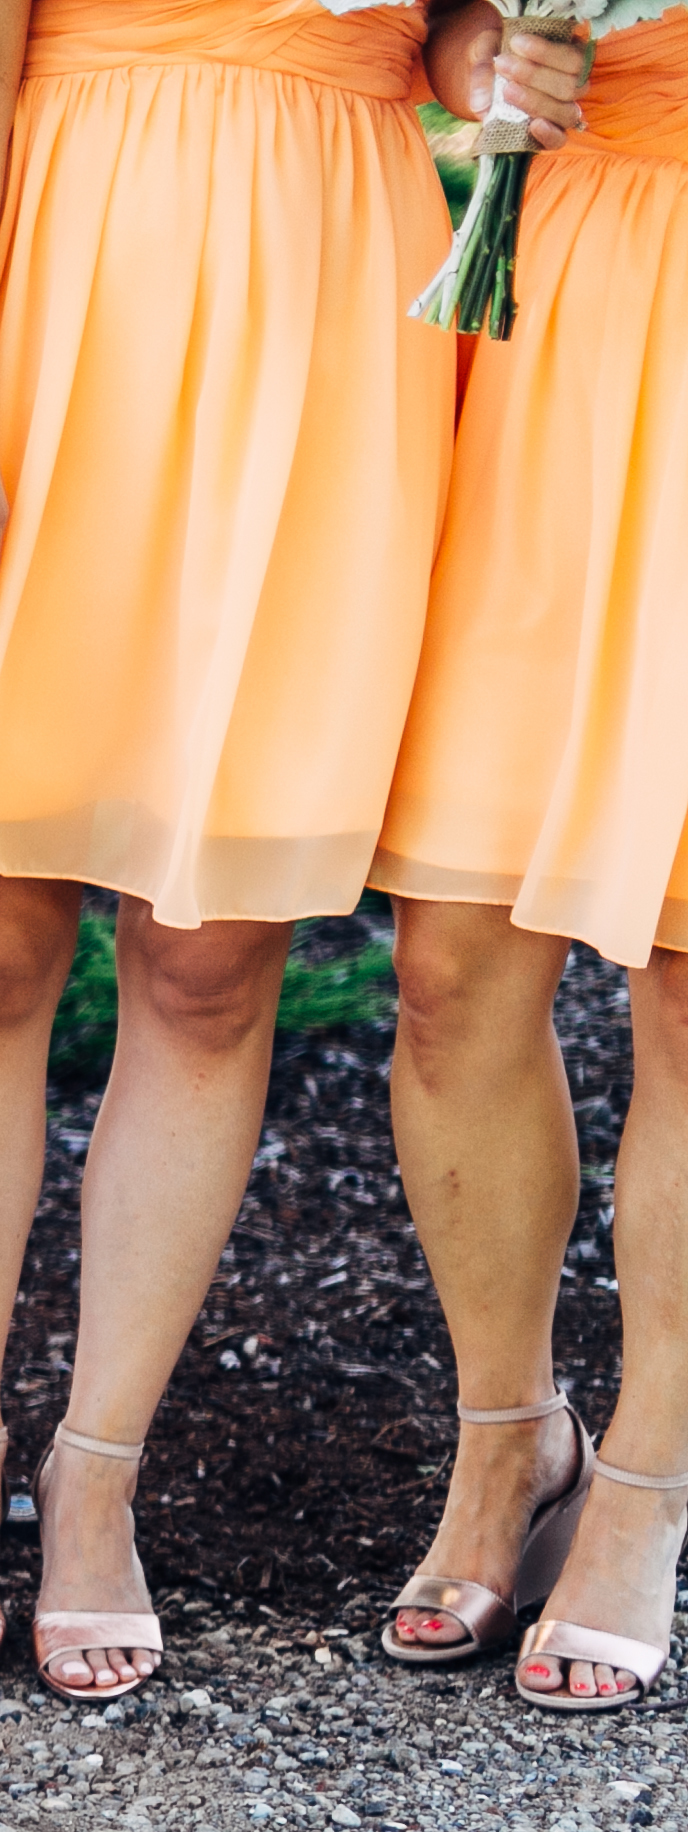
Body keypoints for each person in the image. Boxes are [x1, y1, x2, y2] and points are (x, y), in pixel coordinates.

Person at [0, 0, 454, 1699]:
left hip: (332, 322)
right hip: (62, 301)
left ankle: (97, 1471)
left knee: (208, 964)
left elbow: (475, 45)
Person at [374, 2, 680, 1706]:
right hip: (562, 298)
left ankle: (645, 1484)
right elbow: (445, 27)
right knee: (452, 964)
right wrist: (493, 59)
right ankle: (513, 1433)